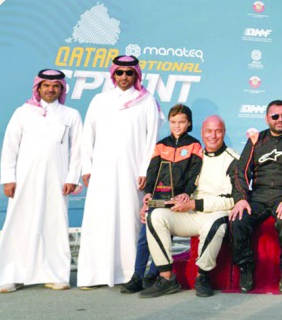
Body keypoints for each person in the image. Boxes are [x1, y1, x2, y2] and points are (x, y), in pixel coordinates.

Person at [0, 69, 82, 293]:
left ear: (61, 89)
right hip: (24, 180)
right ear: (38, 88)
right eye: (46, 85)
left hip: (57, 181)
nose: (51, 89)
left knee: (55, 224)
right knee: (19, 224)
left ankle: (57, 274)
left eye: (55, 86)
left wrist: (72, 178)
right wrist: (8, 179)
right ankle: (12, 275)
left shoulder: (71, 115)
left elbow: (78, 149)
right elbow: (10, 147)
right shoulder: (23, 112)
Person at [77, 55, 161, 289]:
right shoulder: (100, 100)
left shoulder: (146, 101)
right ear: (113, 74)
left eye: (129, 72)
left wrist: (146, 169)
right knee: (98, 220)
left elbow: (151, 139)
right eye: (120, 72)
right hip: (101, 171)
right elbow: (87, 136)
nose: (124, 77)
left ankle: (128, 274)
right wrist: (87, 167)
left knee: (128, 220)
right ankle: (93, 275)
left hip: (132, 172)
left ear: (136, 75)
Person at [142, 115, 238, 298]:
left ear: (224, 132)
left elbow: (232, 200)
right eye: (208, 131)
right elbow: (173, 187)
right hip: (191, 213)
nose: (213, 136)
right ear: (202, 133)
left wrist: (196, 203)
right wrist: (154, 201)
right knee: (154, 216)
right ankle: (166, 277)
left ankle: (202, 275)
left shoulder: (233, 159)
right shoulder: (194, 154)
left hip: (214, 213)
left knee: (216, 223)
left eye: (218, 131)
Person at [229, 100, 282, 294]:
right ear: (267, 118)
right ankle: (245, 266)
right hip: (258, 196)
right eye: (275, 116)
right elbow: (240, 172)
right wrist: (241, 198)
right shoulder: (255, 140)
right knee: (237, 218)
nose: (280, 120)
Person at [123, 103, 203, 294]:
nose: (177, 126)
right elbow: (152, 171)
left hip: (176, 202)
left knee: (163, 239)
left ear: (189, 123)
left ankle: (154, 275)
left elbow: (195, 173)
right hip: (157, 198)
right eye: (173, 122)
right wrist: (149, 191)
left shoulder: (194, 145)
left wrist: (186, 192)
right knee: (144, 238)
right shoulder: (161, 145)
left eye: (181, 122)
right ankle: (137, 276)